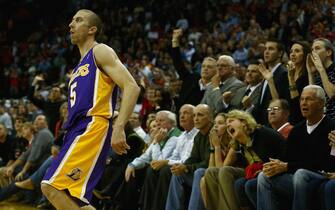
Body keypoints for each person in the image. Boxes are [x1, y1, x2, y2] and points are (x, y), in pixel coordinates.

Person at [41, 9, 140, 210]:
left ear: (92, 29)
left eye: (78, 20)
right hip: (77, 129)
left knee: (50, 187)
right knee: (76, 200)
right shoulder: (78, 66)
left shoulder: (100, 51)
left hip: (92, 125)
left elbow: (132, 86)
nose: (71, 25)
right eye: (71, 21)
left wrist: (119, 126)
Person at [257, 85, 335, 210]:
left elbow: (326, 164)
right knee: (264, 176)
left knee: (301, 174)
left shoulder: (331, 127)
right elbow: (287, 158)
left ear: (321, 104)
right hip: (297, 179)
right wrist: (276, 166)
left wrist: (287, 166)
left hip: (321, 178)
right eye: (302, 99)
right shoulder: (297, 130)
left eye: (309, 99)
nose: (304, 103)